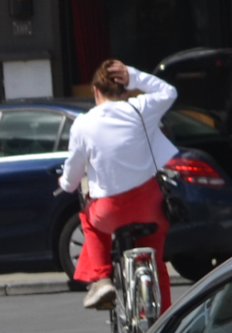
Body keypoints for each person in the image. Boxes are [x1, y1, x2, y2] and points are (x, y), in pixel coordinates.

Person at [60, 58, 180, 312]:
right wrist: (134, 75)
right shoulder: (139, 109)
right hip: (150, 206)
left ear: (95, 90)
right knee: (157, 262)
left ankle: (102, 279)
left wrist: (64, 182)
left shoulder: (83, 124)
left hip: (110, 211)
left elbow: (72, 178)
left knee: (88, 219)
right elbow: (169, 92)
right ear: (125, 92)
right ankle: (165, 323)